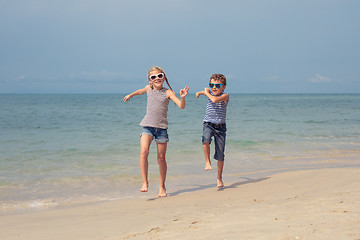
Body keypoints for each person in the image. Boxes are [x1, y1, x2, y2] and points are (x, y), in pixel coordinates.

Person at [123, 66, 189, 197]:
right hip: (147, 126)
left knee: (161, 158)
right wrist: (130, 95)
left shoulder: (168, 92)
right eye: (154, 77)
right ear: (150, 80)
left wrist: (183, 97)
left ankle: (162, 186)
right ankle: (145, 182)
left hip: (161, 129)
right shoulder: (149, 89)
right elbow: (141, 91)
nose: (157, 78)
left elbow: (181, 106)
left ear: (164, 77)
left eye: (160, 75)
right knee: (143, 151)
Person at [196, 74, 229, 188]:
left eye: (217, 85)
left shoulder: (225, 96)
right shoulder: (210, 94)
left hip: (221, 127)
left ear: (223, 87)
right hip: (208, 124)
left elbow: (214, 100)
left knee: (220, 155)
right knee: (205, 139)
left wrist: (206, 92)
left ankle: (219, 178)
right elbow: (206, 93)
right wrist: (200, 93)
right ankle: (207, 162)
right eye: (211, 85)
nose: (214, 87)